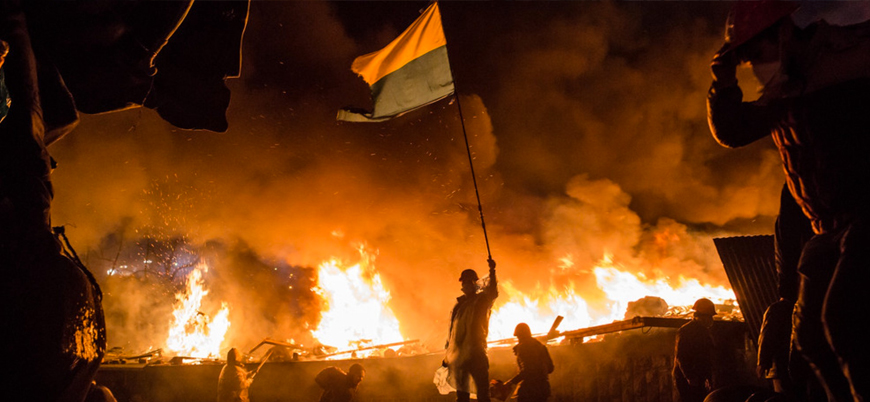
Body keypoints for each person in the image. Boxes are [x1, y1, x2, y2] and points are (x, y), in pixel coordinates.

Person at [707, 3, 870, 400]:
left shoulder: (844, 64)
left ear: (784, 34)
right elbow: (733, 130)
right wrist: (723, 85)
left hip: (864, 217)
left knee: (842, 322)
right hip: (827, 230)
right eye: (747, 60)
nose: (756, 66)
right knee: (809, 339)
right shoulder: (785, 92)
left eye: (759, 52)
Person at [444, 258, 498, 402]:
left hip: (476, 352)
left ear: (475, 283)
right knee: (462, 395)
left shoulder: (481, 301)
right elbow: (452, 332)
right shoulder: (459, 306)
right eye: (464, 282)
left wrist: (492, 271)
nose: (466, 284)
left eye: (469, 281)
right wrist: (449, 355)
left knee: (483, 393)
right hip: (460, 356)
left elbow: (493, 292)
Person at [673, 298, 716, 402]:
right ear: (699, 316)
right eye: (709, 316)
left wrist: (709, 377)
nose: (711, 320)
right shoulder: (686, 331)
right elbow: (682, 356)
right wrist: (690, 376)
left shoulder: (704, 331)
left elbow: (707, 356)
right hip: (687, 378)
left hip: (700, 376)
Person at [503, 323, 554, 402]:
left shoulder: (524, 348)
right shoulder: (540, 346)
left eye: (518, 336)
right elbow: (551, 368)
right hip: (543, 389)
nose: (518, 339)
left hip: (529, 391)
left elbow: (527, 371)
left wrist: (511, 382)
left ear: (521, 335)